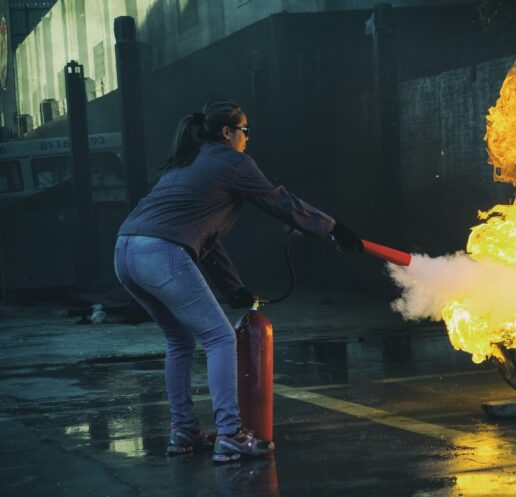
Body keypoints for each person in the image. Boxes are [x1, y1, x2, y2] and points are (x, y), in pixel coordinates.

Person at [114, 100, 362, 462]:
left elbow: (205, 240)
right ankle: (230, 435)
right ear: (227, 133)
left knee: (179, 340)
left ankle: (182, 432)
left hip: (125, 252)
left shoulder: (187, 162)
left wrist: (234, 288)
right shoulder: (233, 163)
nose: (248, 138)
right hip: (160, 253)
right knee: (219, 337)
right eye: (245, 130)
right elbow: (281, 203)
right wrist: (333, 229)